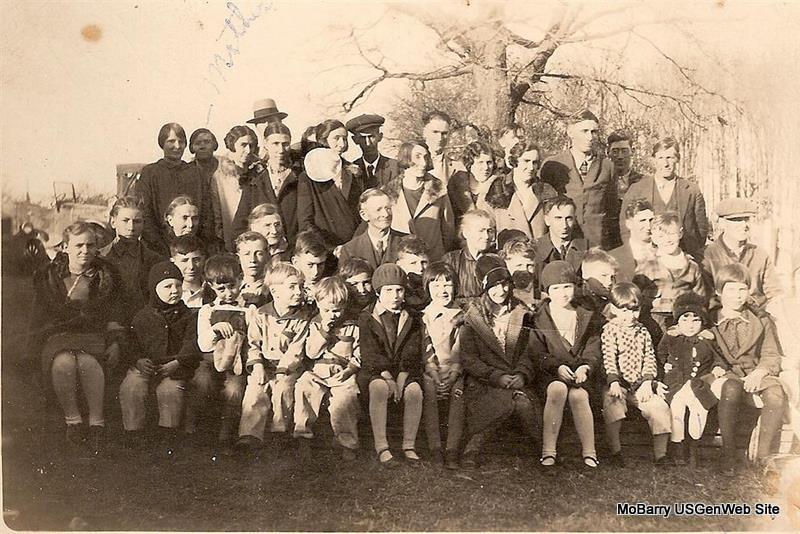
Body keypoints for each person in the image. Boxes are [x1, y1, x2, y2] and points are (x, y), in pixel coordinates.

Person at [30, 222, 124, 457]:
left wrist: (115, 341)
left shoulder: (106, 275)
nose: (85, 251)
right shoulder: (49, 275)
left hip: (94, 335)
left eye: (90, 245)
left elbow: (115, 313)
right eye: (78, 245)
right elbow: (39, 317)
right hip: (57, 336)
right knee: (63, 363)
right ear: (65, 247)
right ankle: (73, 422)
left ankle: (97, 424)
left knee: (88, 363)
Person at [459, 254, 542, 467]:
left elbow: (530, 351)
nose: (501, 290)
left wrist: (522, 374)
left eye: (505, 284)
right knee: (498, 402)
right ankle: (472, 448)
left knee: (524, 403)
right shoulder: (473, 316)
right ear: (484, 287)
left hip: (516, 378)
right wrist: (495, 376)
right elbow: (469, 358)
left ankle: (543, 450)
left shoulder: (521, 312)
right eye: (494, 286)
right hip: (485, 380)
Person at [708, 263, 786, 475]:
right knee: (731, 388)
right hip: (724, 373)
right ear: (719, 292)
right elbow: (707, 350)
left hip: (754, 372)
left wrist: (759, 372)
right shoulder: (710, 319)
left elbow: (771, 353)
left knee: (776, 393)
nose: (737, 295)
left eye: (742, 289)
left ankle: (762, 456)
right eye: (731, 289)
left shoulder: (760, 319)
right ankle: (728, 454)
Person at [119, 261, 200, 456]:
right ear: (154, 289)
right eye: (167, 286)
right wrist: (138, 360)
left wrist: (178, 362)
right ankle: (134, 433)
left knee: (169, 390)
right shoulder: (142, 316)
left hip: (175, 367)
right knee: (131, 387)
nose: (174, 291)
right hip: (146, 365)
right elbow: (131, 343)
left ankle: (168, 435)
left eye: (178, 285)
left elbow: (192, 343)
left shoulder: (189, 316)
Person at [535, 261, 603, 469]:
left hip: (580, 374)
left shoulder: (585, 313)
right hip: (550, 373)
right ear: (547, 291)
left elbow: (593, 346)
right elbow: (537, 351)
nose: (563, 293)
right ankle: (548, 451)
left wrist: (586, 367)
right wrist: (555, 367)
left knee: (579, 395)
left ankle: (589, 452)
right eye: (556, 288)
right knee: (557, 389)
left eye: (567, 287)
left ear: (575, 286)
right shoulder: (539, 317)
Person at [239, 262, 314, 448]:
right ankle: (250, 434)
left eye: (301, 287)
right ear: (275, 291)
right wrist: (257, 365)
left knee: (283, 388)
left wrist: (282, 369)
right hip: (264, 365)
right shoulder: (261, 315)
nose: (298, 292)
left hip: (289, 368)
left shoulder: (302, 318)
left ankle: (279, 430)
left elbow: (296, 349)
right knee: (255, 390)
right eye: (292, 287)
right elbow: (253, 343)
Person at [357, 264, 425, 468]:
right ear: (378, 292)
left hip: (404, 370)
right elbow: (370, 353)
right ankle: (382, 446)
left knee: (414, 391)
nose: (395, 296)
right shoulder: (367, 317)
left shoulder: (411, 317)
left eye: (399, 290)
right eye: (388, 290)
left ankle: (409, 445)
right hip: (377, 371)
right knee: (378, 388)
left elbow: (412, 350)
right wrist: (387, 377)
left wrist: (402, 377)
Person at [601, 282, 672, 466]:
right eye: (624, 311)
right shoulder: (610, 330)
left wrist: (648, 382)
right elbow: (608, 358)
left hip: (640, 384)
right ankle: (615, 451)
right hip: (618, 383)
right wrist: (614, 382)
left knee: (659, 408)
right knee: (613, 406)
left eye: (635, 310)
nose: (630, 316)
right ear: (614, 309)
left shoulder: (643, 331)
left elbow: (649, 357)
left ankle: (661, 455)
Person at [293, 277, 361, 460]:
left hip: (342, 373)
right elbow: (311, 352)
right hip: (317, 371)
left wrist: (350, 370)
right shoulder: (315, 324)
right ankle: (303, 436)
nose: (332, 315)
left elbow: (359, 353)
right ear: (318, 304)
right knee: (304, 387)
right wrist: (324, 331)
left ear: (344, 307)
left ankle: (347, 442)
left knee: (346, 398)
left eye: (337, 310)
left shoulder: (352, 326)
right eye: (326, 310)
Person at [657, 292, 728, 465]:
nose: (690, 325)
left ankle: (694, 447)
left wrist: (718, 367)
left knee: (696, 405)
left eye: (696, 320)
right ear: (677, 321)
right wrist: (664, 365)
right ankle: (678, 449)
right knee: (677, 407)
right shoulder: (671, 338)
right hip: (675, 384)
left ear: (702, 322)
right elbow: (660, 354)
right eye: (685, 320)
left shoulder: (707, 339)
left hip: (698, 385)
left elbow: (718, 357)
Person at [195, 254, 250, 453]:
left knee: (235, 390)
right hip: (211, 360)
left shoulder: (249, 309)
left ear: (241, 279)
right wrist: (215, 329)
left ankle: (226, 436)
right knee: (202, 382)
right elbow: (203, 345)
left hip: (237, 363)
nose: (228, 293)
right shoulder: (207, 310)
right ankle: (202, 431)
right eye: (221, 289)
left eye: (232, 286)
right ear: (211, 286)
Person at [620, 137, 709, 259]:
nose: (665, 163)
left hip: (682, 257)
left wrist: (691, 254)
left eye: (670, 157)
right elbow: (625, 226)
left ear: (677, 159)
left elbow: (701, 229)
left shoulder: (692, 190)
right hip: (647, 257)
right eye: (661, 158)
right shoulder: (637, 189)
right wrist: (634, 254)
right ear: (653, 160)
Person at [540, 110, 617, 249]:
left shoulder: (607, 166)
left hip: (596, 245)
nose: (590, 137)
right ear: (570, 132)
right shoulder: (552, 165)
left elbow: (612, 211)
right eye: (584, 131)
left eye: (594, 132)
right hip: (563, 244)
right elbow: (544, 210)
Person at [137, 122, 212, 255]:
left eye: (181, 142)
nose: (177, 146)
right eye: (171, 141)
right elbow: (145, 212)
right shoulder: (150, 172)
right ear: (162, 143)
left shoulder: (196, 173)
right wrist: (161, 246)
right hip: (159, 246)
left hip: (193, 245)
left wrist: (198, 243)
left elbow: (206, 211)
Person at [420, 262, 466, 469]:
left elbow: (460, 349)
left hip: (456, 371)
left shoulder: (462, 316)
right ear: (427, 288)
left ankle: (452, 449)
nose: (443, 290)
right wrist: (435, 374)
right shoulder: (424, 317)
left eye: (448, 284)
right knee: (429, 391)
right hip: (432, 371)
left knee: (458, 394)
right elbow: (426, 350)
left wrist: (453, 374)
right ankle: (435, 447)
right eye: (436, 286)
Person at [702, 198, 782, 314]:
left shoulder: (759, 254)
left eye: (747, 219)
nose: (744, 225)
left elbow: (774, 292)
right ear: (722, 223)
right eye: (737, 220)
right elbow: (707, 299)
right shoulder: (707, 256)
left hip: (758, 316)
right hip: (721, 317)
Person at [635, 212, 709, 336]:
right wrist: (650, 303)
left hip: (683, 322)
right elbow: (634, 295)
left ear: (680, 233)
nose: (667, 240)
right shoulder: (647, 265)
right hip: (654, 318)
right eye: (661, 236)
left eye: (671, 234)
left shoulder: (692, 266)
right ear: (653, 238)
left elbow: (700, 297)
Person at [384, 141, 455, 261]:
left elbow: (448, 229)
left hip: (433, 259)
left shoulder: (438, 190)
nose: (424, 163)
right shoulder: (389, 192)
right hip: (403, 261)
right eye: (417, 156)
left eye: (426, 157)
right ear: (405, 158)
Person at [100, 196, 164, 325]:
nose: (131, 227)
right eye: (125, 220)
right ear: (113, 222)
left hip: (143, 325)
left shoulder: (154, 260)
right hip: (108, 325)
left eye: (137, 221)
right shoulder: (100, 258)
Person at [489, 140, 557, 240]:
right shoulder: (498, 188)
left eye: (535, 162)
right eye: (526, 161)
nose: (531, 167)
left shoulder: (545, 191)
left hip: (539, 248)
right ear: (514, 161)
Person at [297, 147, 364, 248]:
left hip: (356, 245)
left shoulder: (354, 173)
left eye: (344, 139)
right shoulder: (308, 178)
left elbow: (365, 213)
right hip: (327, 248)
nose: (341, 144)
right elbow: (305, 221)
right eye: (335, 139)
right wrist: (330, 248)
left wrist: (354, 244)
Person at [210, 125, 263, 251]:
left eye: (251, 145)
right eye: (243, 145)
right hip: (231, 236)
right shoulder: (221, 176)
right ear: (232, 145)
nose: (248, 150)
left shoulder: (260, 172)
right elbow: (216, 213)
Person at [252, 122, 300, 244]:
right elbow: (241, 222)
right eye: (275, 144)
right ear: (266, 144)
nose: (281, 150)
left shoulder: (300, 177)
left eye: (285, 144)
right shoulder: (255, 179)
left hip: (294, 245)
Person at [534, 195, 588, 298]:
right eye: (558, 218)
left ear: (574, 219)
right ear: (547, 220)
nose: (564, 225)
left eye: (569, 218)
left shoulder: (587, 249)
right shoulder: (535, 250)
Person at [338, 188, 401, 269]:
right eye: (378, 210)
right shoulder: (350, 250)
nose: (385, 214)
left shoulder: (406, 241)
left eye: (388, 208)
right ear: (364, 215)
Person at [442, 209, 496, 304]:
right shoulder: (451, 260)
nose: (487, 236)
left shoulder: (497, 259)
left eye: (489, 231)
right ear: (466, 233)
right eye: (481, 231)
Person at [447, 141, 500, 227]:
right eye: (480, 162)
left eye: (489, 162)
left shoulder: (499, 186)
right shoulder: (455, 187)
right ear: (470, 163)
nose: (486, 167)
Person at [346, 114, 401, 189]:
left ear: (380, 137)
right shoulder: (350, 172)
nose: (368, 143)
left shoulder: (395, 167)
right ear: (355, 140)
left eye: (371, 136)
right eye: (362, 138)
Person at [609, 198, 656, 282]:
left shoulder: (665, 251)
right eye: (642, 221)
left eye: (651, 220)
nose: (648, 226)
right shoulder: (613, 257)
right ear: (629, 224)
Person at [421, 111, 463, 185]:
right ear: (424, 132)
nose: (440, 138)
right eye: (435, 132)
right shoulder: (410, 162)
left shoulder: (457, 167)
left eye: (444, 133)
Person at [169, 235, 212, 309]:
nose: (191, 266)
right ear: (173, 262)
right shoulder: (169, 293)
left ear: (204, 260)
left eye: (196, 260)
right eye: (184, 261)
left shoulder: (215, 290)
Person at [394, 235, 431, 313]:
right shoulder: (395, 291)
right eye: (413, 263)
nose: (420, 268)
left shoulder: (435, 287)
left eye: (424, 262)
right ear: (399, 265)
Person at [576, 247, 618, 315]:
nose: (610, 282)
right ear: (585, 275)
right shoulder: (582, 306)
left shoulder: (611, 301)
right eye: (603, 276)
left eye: (612, 277)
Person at [248, 203, 291, 268]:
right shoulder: (247, 254)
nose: (274, 231)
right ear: (254, 228)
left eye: (277, 225)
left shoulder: (292, 252)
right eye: (267, 225)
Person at [500, 237, 539, 310]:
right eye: (519, 265)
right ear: (506, 265)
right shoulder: (500, 294)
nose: (524, 270)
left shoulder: (540, 293)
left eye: (530, 265)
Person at [292, 230, 331, 301]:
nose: (316, 272)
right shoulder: (283, 288)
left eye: (321, 264)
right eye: (310, 265)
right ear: (295, 262)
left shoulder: (331, 288)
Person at [235, 231, 271, 308]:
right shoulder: (231, 287)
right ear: (238, 258)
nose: (253, 259)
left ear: (267, 256)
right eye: (247, 254)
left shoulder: (274, 286)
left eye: (259, 254)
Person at [607, 130, 644, 203]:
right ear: (608, 152)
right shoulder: (602, 182)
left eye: (624, 151)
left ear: (632, 152)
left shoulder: (642, 181)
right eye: (615, 151)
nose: (620, 156)